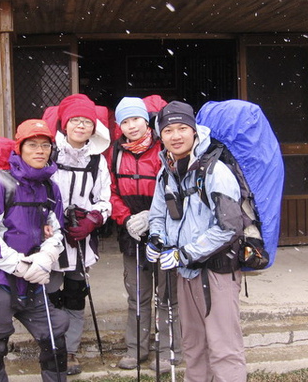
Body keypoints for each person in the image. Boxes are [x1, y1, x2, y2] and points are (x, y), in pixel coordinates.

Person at [146, 100, 247, 381]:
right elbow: (159, 214)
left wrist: (184, 253)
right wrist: (156, 238)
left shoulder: (216, 171)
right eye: (168, 130)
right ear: (160, 134)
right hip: (185, 272)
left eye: (182, 128)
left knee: (224, 347)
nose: (175, 136)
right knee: (193, 344)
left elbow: (229, 227)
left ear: (194, 131)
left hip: (216, 271)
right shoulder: (165, 171)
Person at [0, 119, 69, 382]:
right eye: (32, 145)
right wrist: (22, 267)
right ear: (19, 149)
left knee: (55, 337)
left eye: (45, 145)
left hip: (33, 276)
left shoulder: (49, 188)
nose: (40, 151)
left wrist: (46, 258)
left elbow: (56, 229)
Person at [108, 97, 181, 373]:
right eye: (125, 121)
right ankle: (135, 350)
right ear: (120, 126)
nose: (132, 126)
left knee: (168, 295)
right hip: (132, 233)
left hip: (165, 229)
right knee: (137, 296)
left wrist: (154, 215)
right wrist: (125, 218)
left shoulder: (164, 147)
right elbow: (111, 190)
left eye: (136, 119)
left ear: (146, 119)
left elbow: (176, 185)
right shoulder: (115, 152)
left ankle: (169, 351)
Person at [47, 93, 112, 375]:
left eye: (87, 121)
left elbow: (105, 199)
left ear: (93, 127)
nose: (81, 126)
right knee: (49, 293)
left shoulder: (98, 161)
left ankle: (70, 351)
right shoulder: (48, 153)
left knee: (75, 294)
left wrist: (92, 219)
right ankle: (51, 346)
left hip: (81, 239)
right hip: (48, 238)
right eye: (75, 120)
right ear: (65, 123)